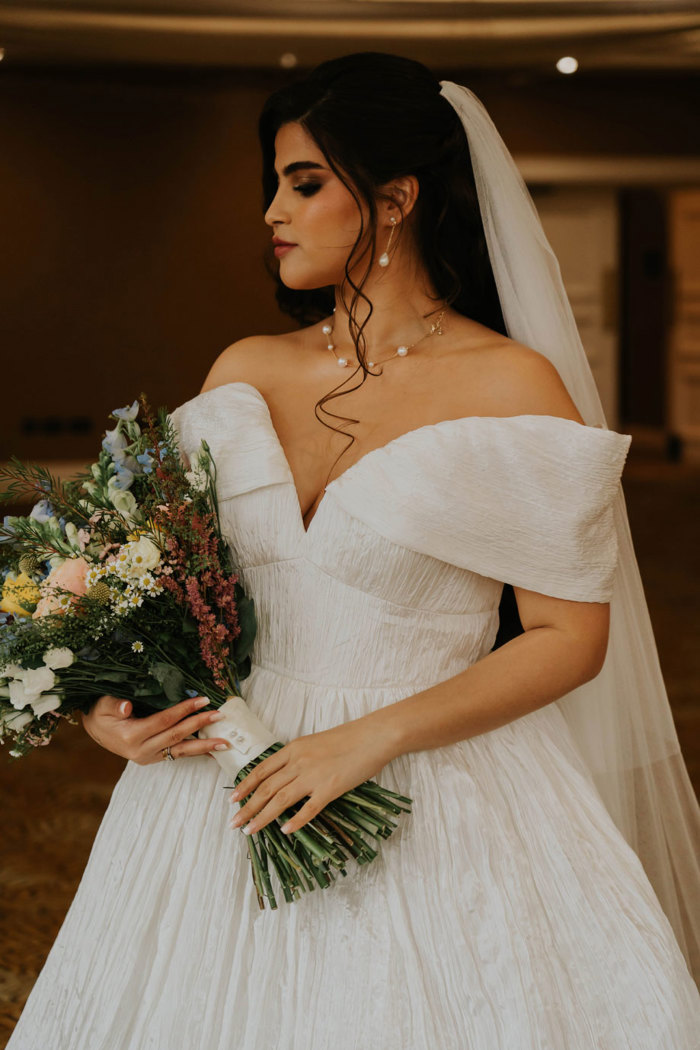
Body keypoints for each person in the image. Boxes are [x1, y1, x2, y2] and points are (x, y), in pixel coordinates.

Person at [7, 51, 700, 1049]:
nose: (270, 214)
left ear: (395, 199)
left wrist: (368, 738)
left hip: (435, 783)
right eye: (272, 186)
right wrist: (113, 710)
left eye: (303, 182)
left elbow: (565, 637)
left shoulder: (510, 384)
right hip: (222, 782)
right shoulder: (242, 372)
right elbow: (179, 592)